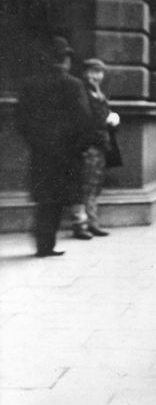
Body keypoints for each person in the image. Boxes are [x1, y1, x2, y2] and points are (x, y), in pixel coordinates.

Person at [16, 35, 93, 257]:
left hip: (41, 154)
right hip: (67, 156)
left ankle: (44, 245)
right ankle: (47, 245)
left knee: (44, 200)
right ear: (65, 60)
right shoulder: (74, 84)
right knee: (58, 199)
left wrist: (35, 143)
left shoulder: (30, 84)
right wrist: (80, 148)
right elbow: (85, 121)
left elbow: (21, 120)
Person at [71, 58, 121, 239]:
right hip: (88, 145)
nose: (96, 76)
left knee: (94, 185)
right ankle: (80, 224)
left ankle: (92, 222)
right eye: (93, 72)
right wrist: (106, 120)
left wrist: (112, 119)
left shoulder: (97, 92)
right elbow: (84, 118)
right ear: (85, 73)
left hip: (100, 144)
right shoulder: (83, 91)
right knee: (84, 185)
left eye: (99, 72)